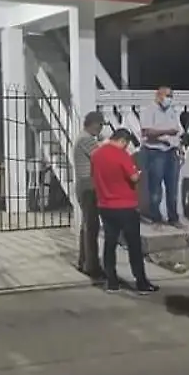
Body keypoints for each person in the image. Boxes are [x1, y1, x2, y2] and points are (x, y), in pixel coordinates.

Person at [91, 129, 159, 294]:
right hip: (125, 206)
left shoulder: (96, 154)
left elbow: (94, 175)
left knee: (110, 243)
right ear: (123, 141)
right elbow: (133, 177)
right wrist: (138, 173)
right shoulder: (122, 155)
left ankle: (112, 282)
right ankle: (141, 282)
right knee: (134, 245)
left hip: (105, 205)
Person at [139, 85, 183, 226]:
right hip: (156, 151)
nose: (169, 99)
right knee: (156, 188)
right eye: (167, 96)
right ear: (158, 96)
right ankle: (156, 218)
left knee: (173, 188)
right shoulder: (149, 110)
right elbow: (146, 132)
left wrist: (179, 147)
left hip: (172, 151)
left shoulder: (171, 111)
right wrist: (166, 132)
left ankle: (173, 217)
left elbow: (177, 131)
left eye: (171, 96)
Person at [73, 111, 106, 280]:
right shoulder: (86, 139)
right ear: (93, 123)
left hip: (85, 185)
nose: (101, 129)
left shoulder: (83, 138)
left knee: (87, 225)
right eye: (100, 125)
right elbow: (102, 157)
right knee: (91, 227)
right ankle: (91, 266)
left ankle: (84, 261)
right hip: (88, 186)